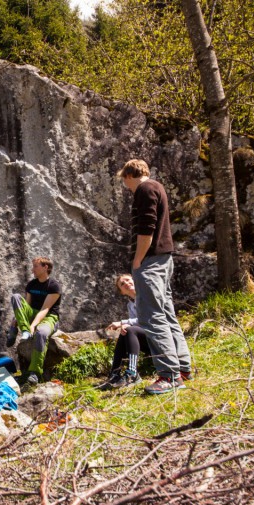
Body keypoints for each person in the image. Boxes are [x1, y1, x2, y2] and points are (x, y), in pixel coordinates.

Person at [118, 159, 192, 394]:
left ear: (129, 175)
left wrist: (138, 260)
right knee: (167, 314)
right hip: (163, 260)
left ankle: (169, 375)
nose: (126, 187)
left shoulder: (145, 189)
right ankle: (182, 368)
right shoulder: (157, 187)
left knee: (152, 317)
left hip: (150, 261)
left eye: (124, 182)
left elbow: (146, 228)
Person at [6, 257, 62, 385]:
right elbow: (25, 307)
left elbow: (45, 309)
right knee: (16, 297)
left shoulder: (54, 286)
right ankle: (21, 331)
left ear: (45, 267)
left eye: (36, 266)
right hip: (33, 313)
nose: (32, 270)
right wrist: (16, 322)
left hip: (49, 317)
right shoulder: (31, 284)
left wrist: (34, 326)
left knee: (41, 333)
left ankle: (35, 372)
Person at [98, 274, 148, 389]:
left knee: (129, 329)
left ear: (134, 280)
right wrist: (125, 325)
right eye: (122, 284)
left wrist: (122, 322)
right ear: (122, 292)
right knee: (125, 332)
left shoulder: (145, 295)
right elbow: (136, 322)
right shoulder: (130, 304)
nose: (126, 283)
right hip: (146, 338)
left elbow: (147, 317)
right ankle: (114, 374)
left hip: (158, 336)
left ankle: (132, 372)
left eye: (127, 280)